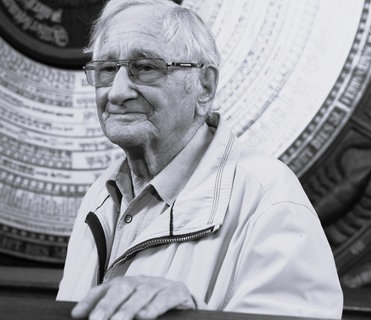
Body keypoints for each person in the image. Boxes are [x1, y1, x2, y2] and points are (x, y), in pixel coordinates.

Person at [56, 0, 343, 319]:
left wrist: (192, 314)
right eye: (108, 70)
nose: (117, 91)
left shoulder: (270, 201)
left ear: (204, 85)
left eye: (146, 68)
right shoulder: (101, 196)